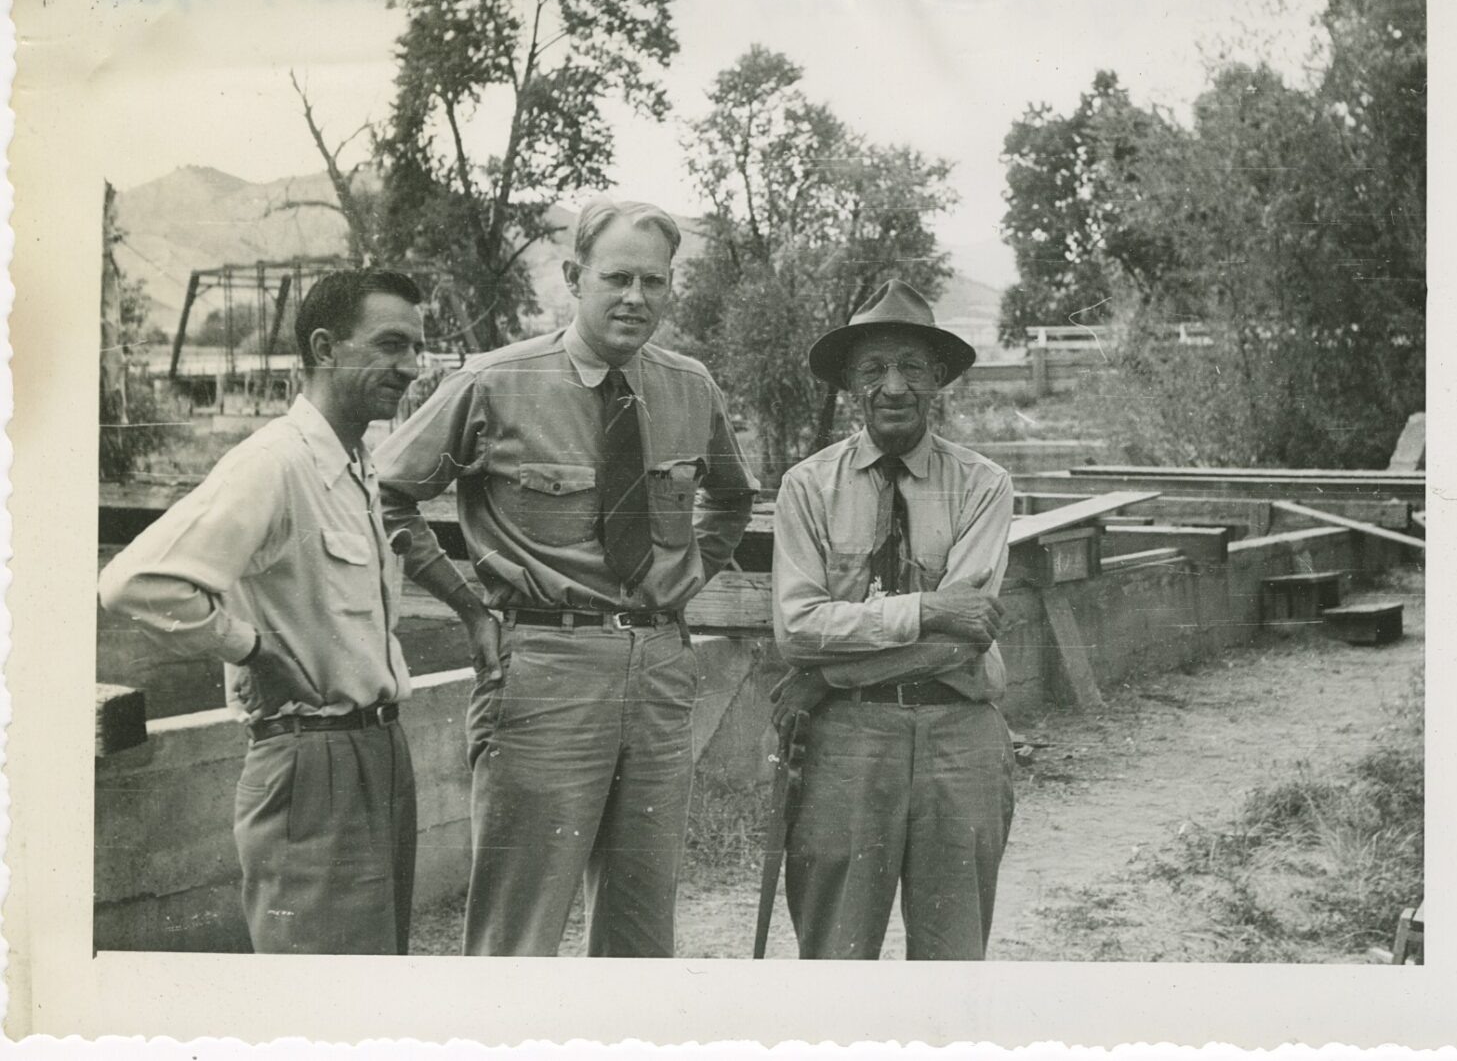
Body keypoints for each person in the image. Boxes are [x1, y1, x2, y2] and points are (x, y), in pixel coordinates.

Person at [374, 198, 758, 957]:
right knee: (522, 928)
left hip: (658, 673)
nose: (635, 298)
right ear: (574, 276)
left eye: (654, 281)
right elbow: (387, 491)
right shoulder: (497, 383)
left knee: (642, 929)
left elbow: (733, 498)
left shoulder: (689, 386)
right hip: (544, 673)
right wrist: (467, 607)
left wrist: (682, 579)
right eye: (617, 277)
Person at [98, 268, 427, 954]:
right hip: (312, 763)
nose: (411, 366)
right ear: (325, 347)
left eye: (415, 349)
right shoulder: (275, 463)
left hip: (377, 751)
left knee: (375, 986)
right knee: (315, 1001)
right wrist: (250, 647)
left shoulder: (354, 463)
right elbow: (133, 581)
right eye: (391, 345)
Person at [770, 278, 1015, 960]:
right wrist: (929, 607)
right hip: (847, 746)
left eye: (911, 367)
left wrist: (821, 678)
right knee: (836, 959)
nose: (894, 386)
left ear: (938, 378)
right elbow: (796, 629)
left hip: (959, 736)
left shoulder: (984, 485)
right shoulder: (807, 487)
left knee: (953, 962)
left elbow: (963, 642)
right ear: (850, 381)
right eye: (874, 368)